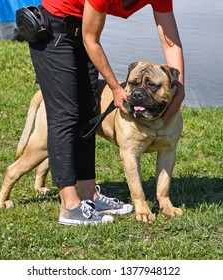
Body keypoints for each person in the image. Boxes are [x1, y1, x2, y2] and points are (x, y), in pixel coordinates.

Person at [29, 0, 185, 226]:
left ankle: (89, 195)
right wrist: (115, 87)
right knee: (66, 115)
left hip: (84, 25)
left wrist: (180, 88)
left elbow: (170, 43)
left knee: (87, 113)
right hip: (55, 27)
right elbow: (91, 40)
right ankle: (70, 206)